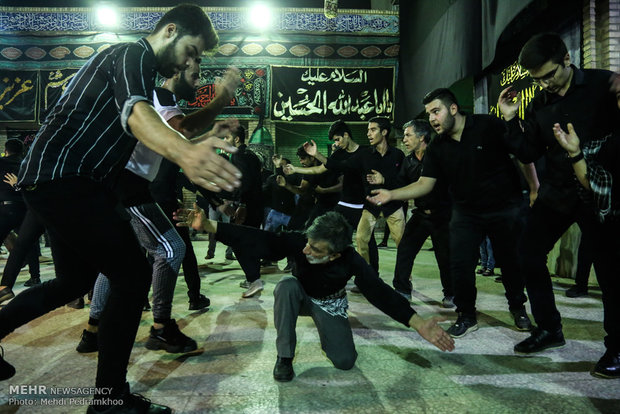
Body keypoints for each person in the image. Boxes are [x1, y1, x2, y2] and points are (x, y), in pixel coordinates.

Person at [0, 5, 241, 413]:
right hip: (65, 179)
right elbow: (136, 111)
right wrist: (186, 152)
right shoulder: (131, 54)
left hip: (63, 183)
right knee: (132, 275)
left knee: (72, 282)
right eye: (194, 52)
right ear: (170, 31)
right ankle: (109, 399)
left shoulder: (143, 73)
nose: (193, 63)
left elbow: (160, 126)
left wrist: (197, 135)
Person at [175, 208, 455, 382]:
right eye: (308, 244)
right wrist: (210, 226)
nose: (306, 251)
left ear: (335, 253)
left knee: (345, 362)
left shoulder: (351, 260)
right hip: (299, 296)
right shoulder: (301, 243)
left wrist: (417, 322)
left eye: (316, 250)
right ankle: (284, 357)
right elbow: (260, 240)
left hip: (329, 303)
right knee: (286, 285)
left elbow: (379, 292)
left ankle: (330, 335)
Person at [497, 33, 620, 375]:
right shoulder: (539, 102)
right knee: (527, 254)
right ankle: (549, 328)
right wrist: (509, 118)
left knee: (610, 273)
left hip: (597, 191)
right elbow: (528, 152)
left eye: (549, 75)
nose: (545, 83)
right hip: (558, 192)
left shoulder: (601, 85)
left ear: (566, 59)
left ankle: (617, 349)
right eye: (537, 79)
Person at [368, 88, 534, 338]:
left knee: (510, 262)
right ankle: (466, 315)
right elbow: (425, 183)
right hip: (466, 212)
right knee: (460, 265)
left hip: (503, 208)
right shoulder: (438, 146)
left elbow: (523, 153)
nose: (432, 119)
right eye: (429, 114)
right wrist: (392, 194)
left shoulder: (488, 125)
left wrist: (534, 187)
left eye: (436, 111)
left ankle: (517, 307)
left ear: (453, 109)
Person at [552, 121, 619, 378]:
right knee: (612, 291)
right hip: (610, 222)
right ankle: (616, 349)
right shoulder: (607, 137)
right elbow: (591, 182)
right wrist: (575, 152)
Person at [300, 117, 406, 269]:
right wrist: (317, 155)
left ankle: (403, 279)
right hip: (370, 205)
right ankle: (368, 276)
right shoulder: (365, 155)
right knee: (361, 240)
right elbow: (339, 166)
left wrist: (384, 179)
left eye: (373, 130)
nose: (369, 133)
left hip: (392, 206)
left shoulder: (398, 155)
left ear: (384, 132)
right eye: (368, 130)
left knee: (402, 244)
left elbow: (403, 181)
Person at [368, 120, 453, 306]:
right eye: (404, 135)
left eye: (408, 135)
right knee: (405, 249)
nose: (404, 139)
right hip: (421, 214)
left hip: (443, 215)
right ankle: (402, 289)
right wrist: (383, 181)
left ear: (422, 137)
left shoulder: (438, 156)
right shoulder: (409, 161)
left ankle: (450, 293)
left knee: (444, 256)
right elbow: (400, 186)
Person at [284, 120, 381, 271]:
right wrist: (296, 169)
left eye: (338, 139)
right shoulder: (339, 154)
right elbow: (319, 170)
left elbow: (344, 166)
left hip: (363, 206)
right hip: (344, 205)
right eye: (334, 140)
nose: (336, 143)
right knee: (328, 234)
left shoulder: (365, 152)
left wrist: (317, 154)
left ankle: (373, 274)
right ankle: (329, 270)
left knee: (368, 242)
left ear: (346, 135)